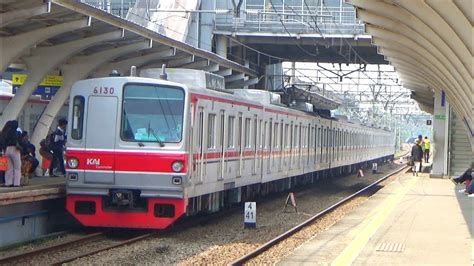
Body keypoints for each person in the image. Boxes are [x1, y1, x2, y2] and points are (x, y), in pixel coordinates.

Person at [1, 120, 22, 187]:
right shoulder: (17, 133)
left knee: (9, 168)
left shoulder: (6, 132)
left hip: (7, 149)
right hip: (15, 149)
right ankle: (16, 183)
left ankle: (8, 183)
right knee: (17, 167)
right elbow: (20, 142)